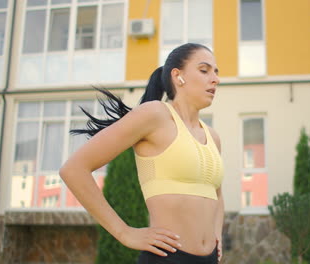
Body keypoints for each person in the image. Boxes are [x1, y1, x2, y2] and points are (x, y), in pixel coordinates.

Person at [59, 43, 224, 264]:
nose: (214, 79)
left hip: (210, 259)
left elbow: (216, 194)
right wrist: (124, 233)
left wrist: (217, 233)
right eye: (204, 70)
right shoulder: (154, 114)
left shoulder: (212, 136)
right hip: (167, 258)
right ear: (178, 76)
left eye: (216, 72)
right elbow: (74, 169)